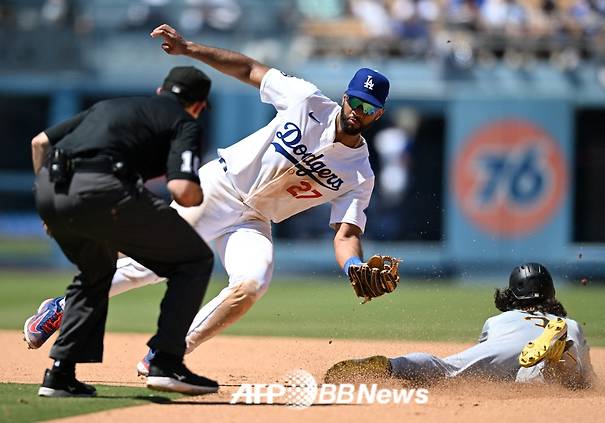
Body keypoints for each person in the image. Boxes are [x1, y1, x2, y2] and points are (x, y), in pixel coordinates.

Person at [24, 23, 393, 376]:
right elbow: (250, 68)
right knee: (150, 266)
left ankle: (167, 353)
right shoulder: (306, 100)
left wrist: (353, 268)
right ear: (345, 97)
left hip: (254, 219)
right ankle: (61, 307)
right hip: (219, 187)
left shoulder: (360, 174)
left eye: (368, 109)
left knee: (252, 282)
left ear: (378, 114)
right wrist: (188, 49)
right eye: (356, 103)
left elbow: (345, 235)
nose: (357, 114)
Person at [30, 66, 219, 397]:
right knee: (195, 259)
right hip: (104, 188)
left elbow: (40, 142)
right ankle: (166, 361)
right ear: (199, 105)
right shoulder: (185, 121)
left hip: (50, 190)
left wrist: (52, 202)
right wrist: (200, 193)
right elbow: (182, 190)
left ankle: (60, 375)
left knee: (96, 273)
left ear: (161, 91)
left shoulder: (109, 106)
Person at [324, 263, 595, 389]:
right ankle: (558, 356)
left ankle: (394, 366)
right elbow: (591, 380)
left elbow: (484, 369)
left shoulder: (498, 320)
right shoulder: (570, 324)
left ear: (512, 294)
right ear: (550, 293)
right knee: (572, 380)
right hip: (557, 339)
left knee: (446, 369)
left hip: (505, 346)